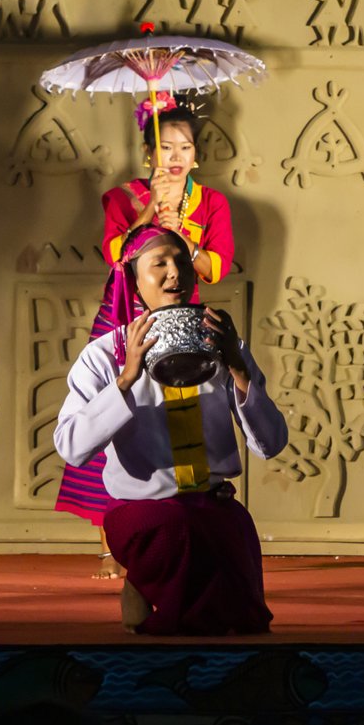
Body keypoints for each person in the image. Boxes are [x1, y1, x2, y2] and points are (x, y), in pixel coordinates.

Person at [53, 225, 287, 635]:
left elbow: (271, 444)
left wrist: (238, 368)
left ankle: (156, 595)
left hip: (213, 506)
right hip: (147, 514)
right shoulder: (105, 355)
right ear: (133, 280)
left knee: (235, 542)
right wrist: (124, 381)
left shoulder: (225, 344)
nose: (175, 273)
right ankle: (149, 590)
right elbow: (71, 448)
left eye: (182, 261)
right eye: (158, 264)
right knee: (178, 532)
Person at [53, 93, 236, 578]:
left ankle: (187, 521)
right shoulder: (121, 198)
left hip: (181, 323)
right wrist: (150, 212)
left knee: (180, 423)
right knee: (112, 419)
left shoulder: (211, 203)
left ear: (196, 155)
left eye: (186, 148)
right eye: (166, 148)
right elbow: (116, 255)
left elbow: (215, 268)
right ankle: (115, 544)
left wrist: (184, 240)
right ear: (149, 153)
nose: (176, 158)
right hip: (125, 320)